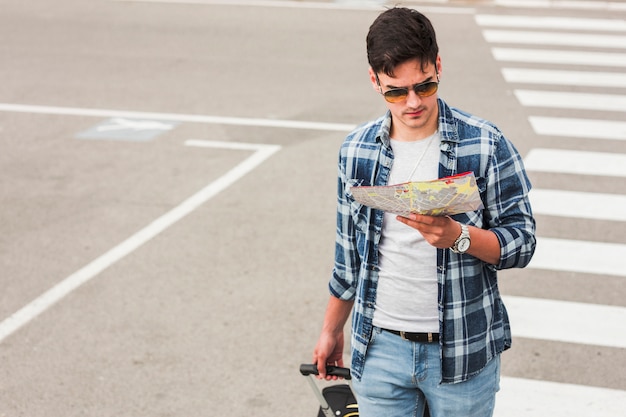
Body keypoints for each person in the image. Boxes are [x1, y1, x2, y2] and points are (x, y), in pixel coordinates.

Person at [311, 7, 536, 417]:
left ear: (439, 66)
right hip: (379, 351)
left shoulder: (483, 144)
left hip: (461, 354)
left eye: (424, 86)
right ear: (374, 81)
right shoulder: (357, 150)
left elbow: (522, 243)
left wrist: (459, 237)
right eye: (396, 91)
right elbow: (348, 257)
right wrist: (330, 330)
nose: (413, 102)